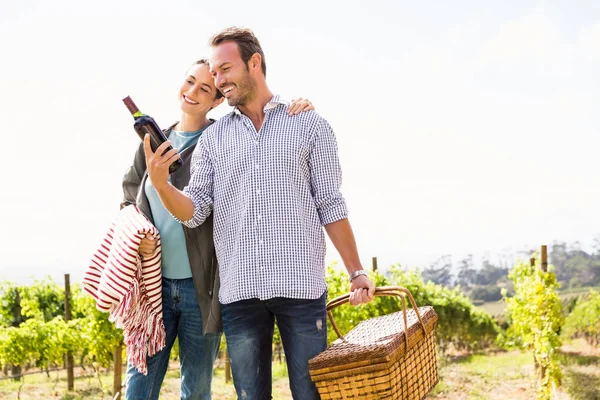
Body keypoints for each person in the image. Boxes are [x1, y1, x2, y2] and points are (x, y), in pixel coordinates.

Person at [143, 27, 375, 400]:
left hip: (301, 288)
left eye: (225, 69)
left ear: (255, 63)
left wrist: (356, 271)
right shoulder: (214, 139)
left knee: (310, 395)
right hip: (240, 294)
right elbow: (196, 210)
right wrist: (163, 186)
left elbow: (330, 203)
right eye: (214, 73)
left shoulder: (309, 125)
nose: (218, 81)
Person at [120, 58, 314, 400]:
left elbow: (263, 139)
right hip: (153, 285)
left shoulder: (223, 140)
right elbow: (127, 203)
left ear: (217, 100)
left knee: (196, 390)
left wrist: (297, 107)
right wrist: (140, 236)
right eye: (190, 81)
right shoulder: (150, 143)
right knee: (140, 385)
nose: (192, 91)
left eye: (205, 88)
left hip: (203, 288)